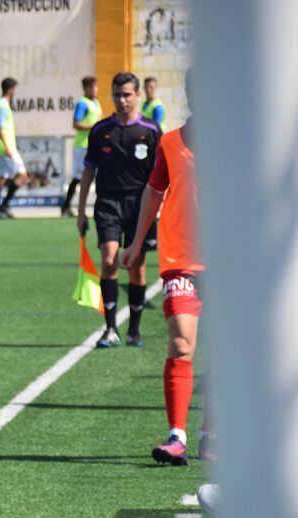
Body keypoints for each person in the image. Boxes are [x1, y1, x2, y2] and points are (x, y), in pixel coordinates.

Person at [120, 70, 210, 463]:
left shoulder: (241, 141)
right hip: (181, 260)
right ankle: (177, 436)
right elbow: (154, 193)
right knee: (180, 343)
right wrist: (137, 243)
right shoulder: (170, 143)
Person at [77, 72, 162, 348]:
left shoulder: (150, 131)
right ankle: (110, 328)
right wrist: (80, 210)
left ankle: (134, 330)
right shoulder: (101, 130)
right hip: (108, 204)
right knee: (110, 259)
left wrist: (163, 209)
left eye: (127, 94)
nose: (122, 100)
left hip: (141, 206)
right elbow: (89, 170)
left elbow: (161, 175)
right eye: (117, 95)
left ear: (137, 95)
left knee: (136, 268)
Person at [61, 76, 102, 217]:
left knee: (99, 176)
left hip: (94, 145)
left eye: (96, 86)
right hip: (82, 146)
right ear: (85, 88)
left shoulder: (96, 102)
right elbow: (76, 123)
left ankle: (100, 206)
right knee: (78, 177)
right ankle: (65, 207)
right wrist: (94, 127)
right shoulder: (82, 104)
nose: (95, 89)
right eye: (92, 87)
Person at [0, 77, 27, 219]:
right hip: (5, 149)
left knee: (1, 178)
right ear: (11, 89)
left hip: (0, 147)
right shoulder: (3, 106)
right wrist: (7, 147)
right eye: (15, 88)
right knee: (22, 176)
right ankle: (2, 207)